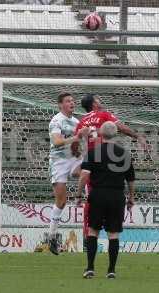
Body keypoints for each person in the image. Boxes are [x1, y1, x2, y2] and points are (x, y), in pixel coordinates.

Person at [74, 93, 146, 240]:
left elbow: (75, 143)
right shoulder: (104, 115)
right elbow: (121, 128)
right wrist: (137, 136)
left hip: (93, 161)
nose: (100, 101)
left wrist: (78, 155)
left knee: (92, 198)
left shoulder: (81, 122)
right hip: (110, 158)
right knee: (114, 192)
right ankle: (113, 234)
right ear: (94, 103)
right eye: (98, 99)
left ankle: (89, 236)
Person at [76, 121, 135, 279]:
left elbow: (84, 175)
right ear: (115, 134)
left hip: (98, 194)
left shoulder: (93, 152)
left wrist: (78, 194)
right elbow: (130, 179)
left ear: (101, 134)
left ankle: (90, 268)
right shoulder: (124, 154)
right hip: (116, 196)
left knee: (93, 231)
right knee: (113, 234)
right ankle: (111, 270)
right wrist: (131, 197)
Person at [48, 92, 90, 255]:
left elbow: (79, 141)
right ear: (60, 105)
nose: (72, 103)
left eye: (73, 101)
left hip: (74, 160)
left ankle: (89, 230)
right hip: (58, 162)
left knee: (88, 174)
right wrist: (76, 138)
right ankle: (52, 236)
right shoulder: (56, 121)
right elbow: (57, 142)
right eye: (68, 101)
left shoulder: (77, 121)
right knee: (61, 201)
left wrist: (81, 146)